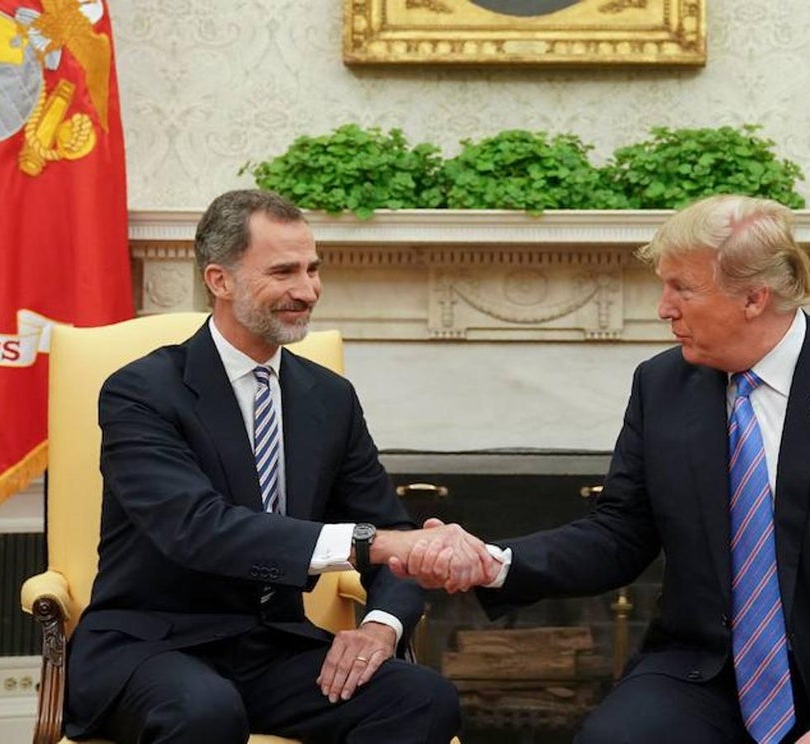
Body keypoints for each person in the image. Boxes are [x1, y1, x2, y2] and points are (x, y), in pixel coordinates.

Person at [396, 195, 810, 743]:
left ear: (754, 298)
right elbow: (618, 534)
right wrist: (496, 562)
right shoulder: (662, 386)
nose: (663, 308)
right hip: (712, 672)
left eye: (682, 288)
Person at [64, 189, 495, 744]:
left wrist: (379, 628)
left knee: (423, 699)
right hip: (153, 646)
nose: (308, 290)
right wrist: (375, 544)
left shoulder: (329, 398)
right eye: (284, 272)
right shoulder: (142, 391)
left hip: (272, 649)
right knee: (206, 711)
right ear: (220, 280)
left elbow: (393, 532)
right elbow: (198, 528)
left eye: (313, 269)